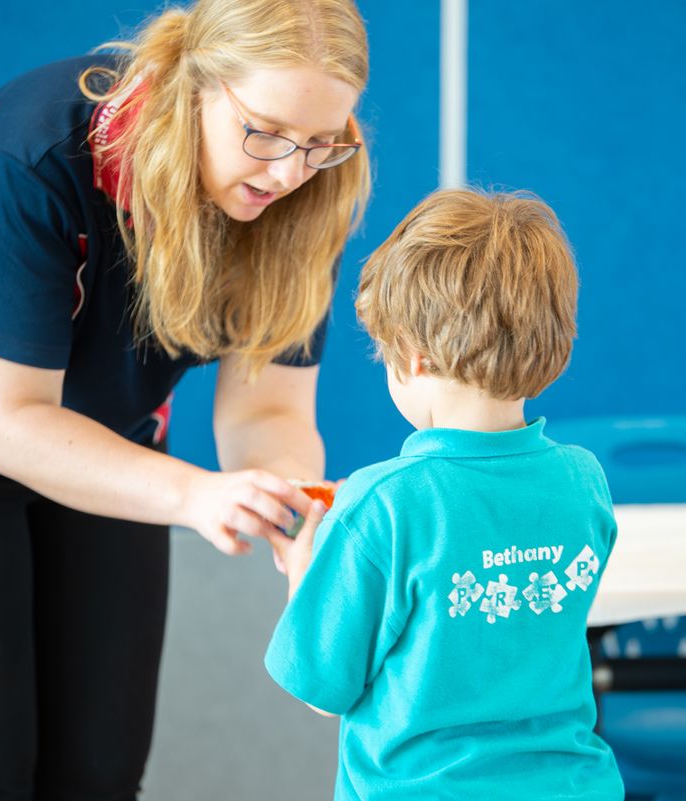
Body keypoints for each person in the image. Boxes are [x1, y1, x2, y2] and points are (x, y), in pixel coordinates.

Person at [0, 1, 370, 798]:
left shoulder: (307, 191)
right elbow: (7, 422)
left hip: (106, 434)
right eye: (265, 133)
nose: (286, 172)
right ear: (194, 84)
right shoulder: (39, 148)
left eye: (320, 142)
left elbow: (267, 412)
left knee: (99, 775)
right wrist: (197, 495)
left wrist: (293, 510)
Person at [265, 189, 624, 801]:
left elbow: (324, 688)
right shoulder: (582, 481)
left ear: (413, 357)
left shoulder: (382, 503)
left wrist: (304, 565)